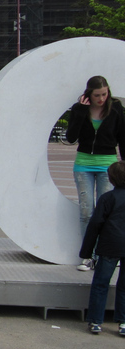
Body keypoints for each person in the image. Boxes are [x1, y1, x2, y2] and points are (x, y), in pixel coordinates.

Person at [66, 76, 125, 271]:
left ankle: (105, 254)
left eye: (105, 94)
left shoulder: (116, 108)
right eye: (97, 95)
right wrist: (82, 112)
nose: (101, 99)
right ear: (89, 94)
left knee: (106, 211)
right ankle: (88, 256)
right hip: (83, 164)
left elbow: (123, 137)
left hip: (107, 165)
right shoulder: (79, 108)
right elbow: (71, 137)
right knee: (86, 211)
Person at [79, 160, 125, 336]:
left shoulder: (107, 198)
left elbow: (95, 224)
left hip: (109, 245)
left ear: (112, 180)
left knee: (101, 283)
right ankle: (122, 322)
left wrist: (87, 251)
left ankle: (96, 321)